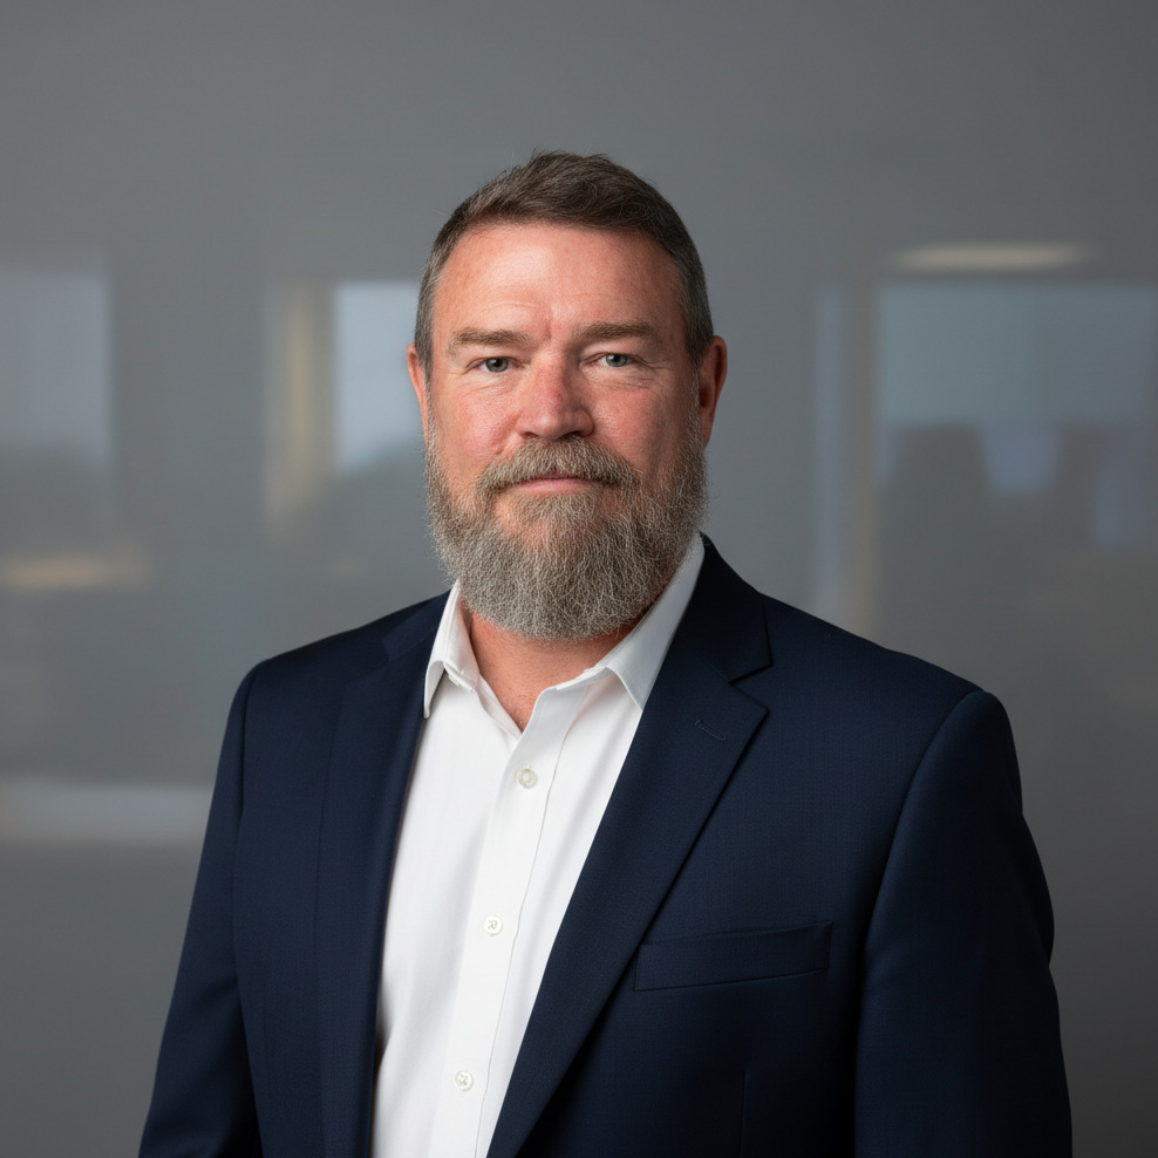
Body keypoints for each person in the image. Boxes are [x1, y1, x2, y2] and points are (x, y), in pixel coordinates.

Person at [140, 152, 1070, 1158]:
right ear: (425, 391)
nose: (551, 415)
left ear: (704, 390)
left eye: (615, 358)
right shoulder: (286, 726)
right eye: (494, 362)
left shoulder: (901, 761)